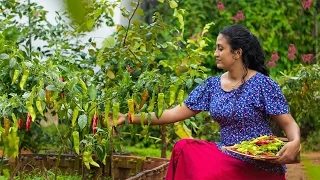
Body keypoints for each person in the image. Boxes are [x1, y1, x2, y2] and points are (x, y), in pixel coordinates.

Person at [109, 24, 301, 180]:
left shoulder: (262, 84)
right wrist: (126, 117)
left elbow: (288, 123)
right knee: (183, 148)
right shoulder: (212, 85)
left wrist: (295, 142)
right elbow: (175, 113)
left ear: (237, 53)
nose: (215, 53)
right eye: (215, 48)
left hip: (258, 163)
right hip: (227, 155)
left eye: (220, 48)